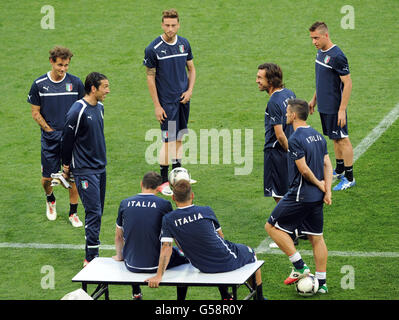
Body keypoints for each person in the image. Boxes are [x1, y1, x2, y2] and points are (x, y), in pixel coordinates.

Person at [145, 180, 266, 300]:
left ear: (173, 198)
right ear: (192, 195)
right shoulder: (206, 210)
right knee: (251, 253)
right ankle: (259, 298)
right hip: (228, 259)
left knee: (204, 250)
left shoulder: (168, 219)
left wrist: (159, 276)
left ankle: (225, 296)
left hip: (203, 266)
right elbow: (221, 236)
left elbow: (166, 248)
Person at [265, 98, 332, 294]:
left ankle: (299, 266)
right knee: (317, 238)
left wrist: (320, 184)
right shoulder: (318, 136)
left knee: (271, 227)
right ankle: (322, 282)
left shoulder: (295, 138)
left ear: (294, 115)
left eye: (287, 112)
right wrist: (326, 190)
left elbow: (303, 170)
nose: (286, 115)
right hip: (317, 198)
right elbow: (327, 164)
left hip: (300, 194)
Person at [27, 46, 85, 227]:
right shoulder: (39, 84)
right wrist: (49, 130)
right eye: (60, 65)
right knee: (47, 178)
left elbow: (83, 108)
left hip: (72, 139)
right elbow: (35, 112)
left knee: (73, 177)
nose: (63, 69)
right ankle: (50, 198)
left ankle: (73, 213)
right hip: (50, 138)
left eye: (66, 65)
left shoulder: (75, 83)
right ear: (51, 62)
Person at [143, 9, 196, 196]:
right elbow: (150, 78)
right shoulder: (153, 49)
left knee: (180, 136)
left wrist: (189, 91)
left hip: (183, 100)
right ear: (162, 24)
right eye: (167, 25)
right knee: (168, 140)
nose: (170, 29)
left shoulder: (184, 44)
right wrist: (157, 106)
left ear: (179, 24)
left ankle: (178, 173)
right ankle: (163, 181)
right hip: (167, 104)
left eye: (174, 25)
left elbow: (191, 68)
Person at [112, 171, 189, 300]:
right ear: (159, 188)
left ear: (141, 184)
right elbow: (174, 236)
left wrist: (120, 256)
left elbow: (119, 236)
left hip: (131, 264)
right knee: (186, 262)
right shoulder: (164, 205)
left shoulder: (124, 203)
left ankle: (136, 292)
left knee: (134, 245)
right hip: (155, 265)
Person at [61, 72, 110, 266]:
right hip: (84, 169)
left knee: (98, 211)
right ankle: (90, 258)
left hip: (100, 168)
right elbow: (67, 140)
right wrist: (66, 166)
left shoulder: (101, 108)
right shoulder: (77, 110)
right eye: (105, 87)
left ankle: (93, 253)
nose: (108, 90)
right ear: (93, 88)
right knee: (93, 212)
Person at [308, 21, 355, 191]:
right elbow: (322, 80)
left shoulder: (337, 56)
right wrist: (314, 100)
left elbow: (347, 83)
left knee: (343, 138)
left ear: (326, 35)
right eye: (312, 38)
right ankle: (340, 169)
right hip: (325, 106)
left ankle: (350, 177)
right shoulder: (320, 53)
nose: (314, 41)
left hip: (335, 107)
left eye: (316, 38)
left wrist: (342, 109)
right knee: (334, 138)